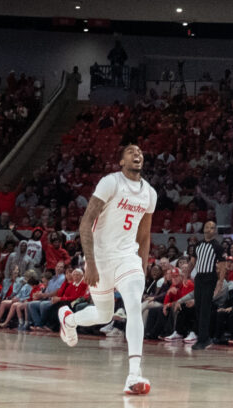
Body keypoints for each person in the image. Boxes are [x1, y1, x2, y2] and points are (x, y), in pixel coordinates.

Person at [57, 144, 156, 395]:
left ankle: (134, 374)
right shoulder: (110, 183)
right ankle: (69, 319)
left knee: (134, 305)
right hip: (100, 258)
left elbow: (144, 236)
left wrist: (141, 269)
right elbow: (86, 222)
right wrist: (89, 262)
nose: (137, 154)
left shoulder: (150, 193)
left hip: (127, 258)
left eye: (140, 152)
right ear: (121, 161)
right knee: (103, 315)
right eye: (131, 151)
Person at [190, 220, 224, 350]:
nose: (210, 229)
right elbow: (193, 262)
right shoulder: (198, 245)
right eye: (207, 226)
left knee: (205, 309)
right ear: (204, 229)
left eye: (212, 227)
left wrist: (220, 282)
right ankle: (204, 337)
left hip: (210, 278)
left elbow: (222, 266)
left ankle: (203, 339)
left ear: (215, 231)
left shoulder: (217, 246)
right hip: (199, 278)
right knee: (198, 308)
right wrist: (186, 274)